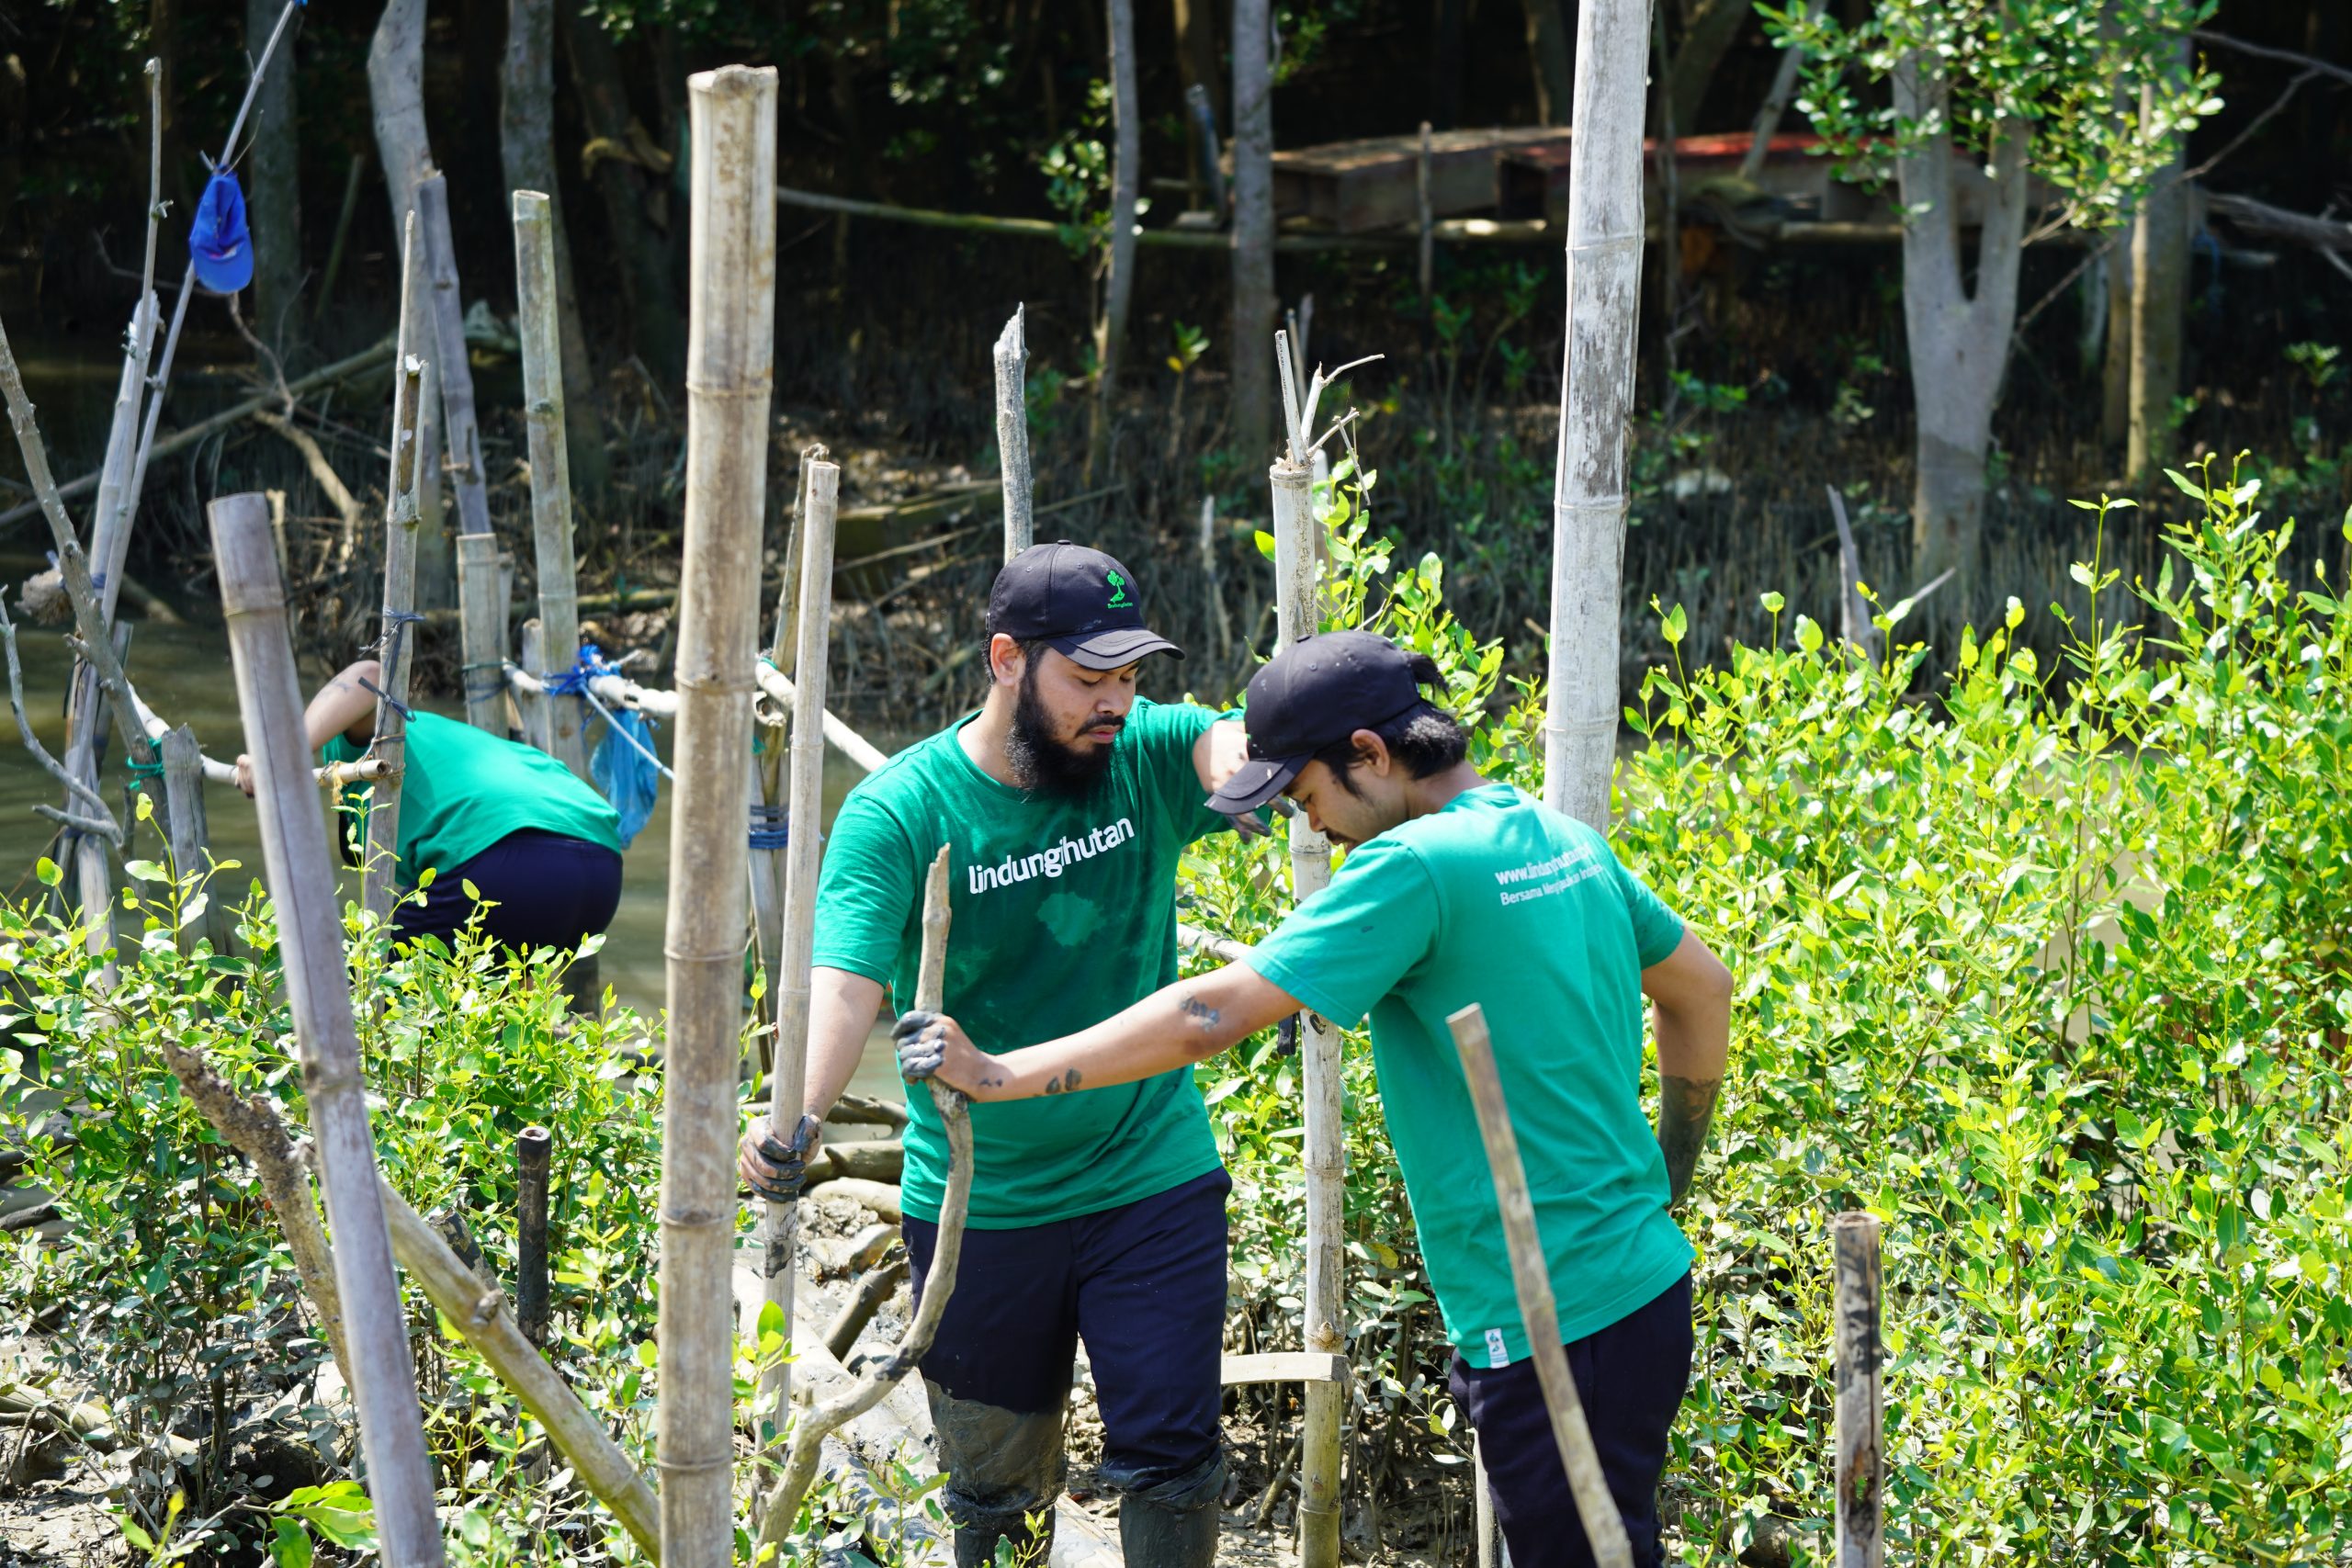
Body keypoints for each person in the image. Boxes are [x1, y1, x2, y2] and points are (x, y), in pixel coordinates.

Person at [895, 628, 1733, 1568]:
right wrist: (1667, 1176)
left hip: (1552, 1316)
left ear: (1369, 756)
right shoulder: (1556, 837)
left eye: (1307, 796)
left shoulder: (1412, 865)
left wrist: (1000, 1074)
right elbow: (1701, 990)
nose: (1313, 828)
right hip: (1641, 1285)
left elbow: (1210, 1013)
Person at [737, 541, 1255, 1568]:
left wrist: (1240, 760)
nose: (1115, 701)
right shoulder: (903, 811)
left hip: (1148, 1175)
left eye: (1130, 676)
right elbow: (844, 987)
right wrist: (788, 1119)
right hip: (983, 1203)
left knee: (1172, 1459)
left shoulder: (1145, 754)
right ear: (1008, 659)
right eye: (1088, 678)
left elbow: (1221, 741)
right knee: (995, 1491)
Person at [236, 658, 625, 953]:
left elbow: (368, 675)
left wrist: (277, 755)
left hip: (505, 854)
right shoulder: (444, 738)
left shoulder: (378, 737)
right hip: (600, 870)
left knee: (365, 984)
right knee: (496, 1010)